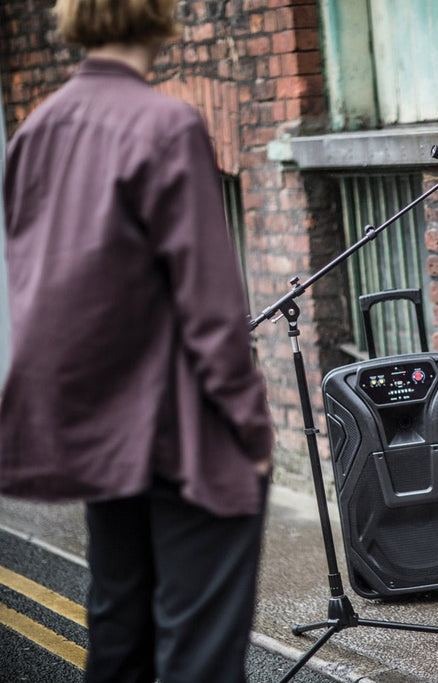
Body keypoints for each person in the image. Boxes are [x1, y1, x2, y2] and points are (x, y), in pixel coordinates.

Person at [0, 0, 275, 680]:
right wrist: (250, 424)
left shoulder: (38, 128)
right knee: (200, 647)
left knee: (118, 626)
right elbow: (209, 305)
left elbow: (38, 284)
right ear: (160, 15)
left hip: (97, 422)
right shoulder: (165, 123)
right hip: (182, 424)